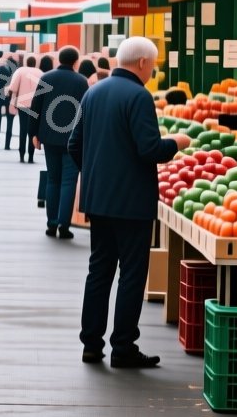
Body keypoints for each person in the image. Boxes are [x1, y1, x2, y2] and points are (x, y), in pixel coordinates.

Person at [71, 37, 193, 369]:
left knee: (99, 270)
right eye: (152, 65)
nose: (152, 71)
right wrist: (176, 142)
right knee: (131, 274)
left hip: (99, 200)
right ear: (142, 63)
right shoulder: (139, 96)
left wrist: (96, 174)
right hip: (132, 203)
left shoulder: (93, 92)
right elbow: (149, 149)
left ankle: (91, 344)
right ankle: (123, 346)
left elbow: (74, 143)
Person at [33, 46, 89, 240]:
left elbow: (36, 106)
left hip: (49, 136)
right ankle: (64, 225)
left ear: (59, 59)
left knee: (53, 179)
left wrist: (34, 133)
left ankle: (51, 223)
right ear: (76, 61)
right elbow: (85, 112)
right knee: (68, 181)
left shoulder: (46, 78)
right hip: (73, 139)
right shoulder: (82, 82)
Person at [6, 55, 44, 164]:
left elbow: (13, 87)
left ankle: (22, 154)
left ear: (26, 62)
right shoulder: (40, 72)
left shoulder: (20, 71)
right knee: (33, 131)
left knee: (23, 129)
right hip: (35, 106)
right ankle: (31, 156)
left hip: (22, 105)